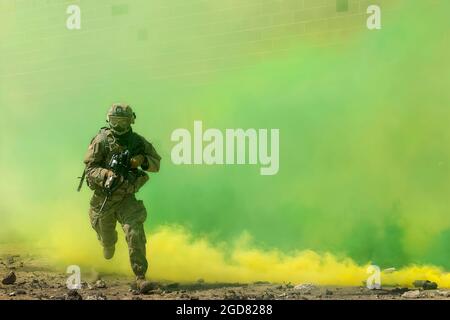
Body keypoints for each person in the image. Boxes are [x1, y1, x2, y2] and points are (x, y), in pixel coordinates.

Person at [83, 103, 161, 293]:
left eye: (122, 122)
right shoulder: (101, 141)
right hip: (103, 198)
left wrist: (142, 160)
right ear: (108, 121)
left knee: (135, 232)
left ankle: (140, 277)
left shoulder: (138, 142)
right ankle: (108, 244)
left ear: (131, 121)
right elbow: (90, 169)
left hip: (126, 198)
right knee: (107, 242)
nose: (118, 127)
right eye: (114, 122)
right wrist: (106, 174)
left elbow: (156, 163)